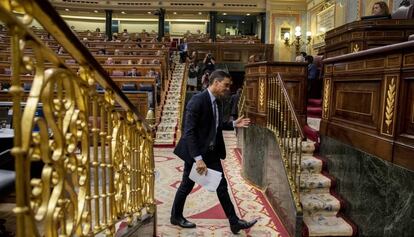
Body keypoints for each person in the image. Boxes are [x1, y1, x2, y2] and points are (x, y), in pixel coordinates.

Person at [171, 70, 257, 234]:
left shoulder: (217, 101)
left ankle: (234, 222)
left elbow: (215, 126)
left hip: (211, 152)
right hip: (195, 153)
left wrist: (232, 124)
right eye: (226, 85)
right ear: (216, 83)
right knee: (187, 186)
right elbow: (188, 132)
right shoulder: (197, 101)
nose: (228, 88)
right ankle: (176, 216)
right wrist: (198, 159)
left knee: (222, 186)